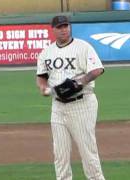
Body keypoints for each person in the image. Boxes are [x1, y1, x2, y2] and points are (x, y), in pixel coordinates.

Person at [36, 15, 105, 180]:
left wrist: (80, 83)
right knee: (60, 153)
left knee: (88, 151)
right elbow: (41, 76)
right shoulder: (46, 52)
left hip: (82, 103)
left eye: (66, 26)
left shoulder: (83, 47)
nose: (63, 29)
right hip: (58, 106)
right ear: (53, 29)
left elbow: (97, 69)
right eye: (59, 27)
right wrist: (43, 88)